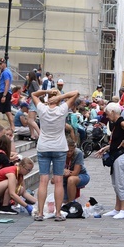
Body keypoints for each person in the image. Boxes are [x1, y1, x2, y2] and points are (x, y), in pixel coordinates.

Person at [31, 87, 80, 221]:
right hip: (59, 147)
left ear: (48, 99)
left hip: (44, 147)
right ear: (58, 100)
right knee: (58, 181)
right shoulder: (62, 109)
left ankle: (40, 213)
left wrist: (47, 92)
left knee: (43, 181)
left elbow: (33, 94)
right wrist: (59, 96)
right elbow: (75, 93)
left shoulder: (42, 108)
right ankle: (58, 213)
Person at [95, 102, 124, 220]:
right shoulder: (115, 124)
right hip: (115, 155)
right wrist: (106, 148)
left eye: (108, 114)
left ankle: (123, 210)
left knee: (121, 183)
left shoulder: (121, 122)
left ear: (113, 112)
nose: (107, 116)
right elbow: (115, 141)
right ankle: (117, 208)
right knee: (116, 184)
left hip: (121, 156)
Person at [63, 140, 90, 204]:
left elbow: (75, 173)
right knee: (63, 201)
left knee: (71, 179)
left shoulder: (78, 153)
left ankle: (71, 204)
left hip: (81, 175)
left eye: (71, 151)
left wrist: (64, 172)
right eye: (67, 151)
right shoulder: (60, 153)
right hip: (64, 177)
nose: (69, 153)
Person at [0, 58, 14, 133]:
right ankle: (12, 126)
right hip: (6, 93)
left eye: (0, 64)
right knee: (7, 111)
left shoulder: (6, 73)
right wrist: (0, 71)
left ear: (4, 64)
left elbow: (7, 84)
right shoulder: (4, 72)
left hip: (3, 92)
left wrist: (4, 96)